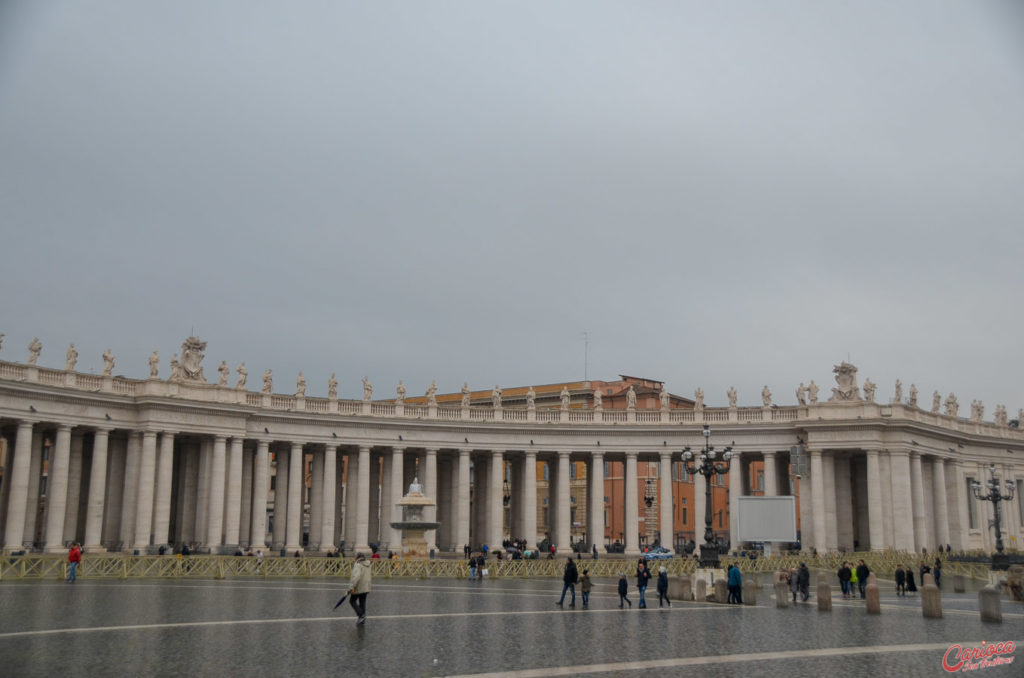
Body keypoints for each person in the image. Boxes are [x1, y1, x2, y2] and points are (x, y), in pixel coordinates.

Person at [348, 553, 372, 625]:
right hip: (366, 586)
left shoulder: (358, 564)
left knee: (352, 601)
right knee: (362, 603)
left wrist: (352, 587)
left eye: (355, 556)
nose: (354, 557)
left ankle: (361, 615)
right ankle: (362, 620)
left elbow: (356, 577)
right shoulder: (368, 564)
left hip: (359, 586)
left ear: (358, 557)